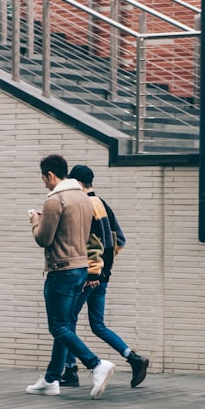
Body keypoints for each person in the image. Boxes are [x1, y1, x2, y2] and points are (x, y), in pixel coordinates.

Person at [26, 154, 116, 399]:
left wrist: (35, 222)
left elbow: (44, 239)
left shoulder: (55, 200)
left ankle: (96, 364)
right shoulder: (84, 199)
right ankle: (51, 379)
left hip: (61, 270)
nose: (44, 183)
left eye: (44, 178)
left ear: (51, 175)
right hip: (81, 269)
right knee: (64, 325)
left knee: (57, 326)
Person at [58, 164, 149, 388]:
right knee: (97, 325)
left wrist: (94, 272)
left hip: (90, 277)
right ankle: (133, 358)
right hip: (101, 276)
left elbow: (98, 243)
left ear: (77, 183)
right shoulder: (104, 204)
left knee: (65, 323)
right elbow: (119, 241)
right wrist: (105, 270)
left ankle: (70, 370)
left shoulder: (87, 205)